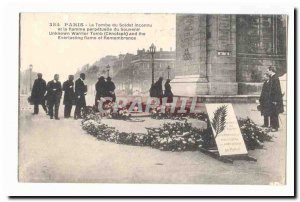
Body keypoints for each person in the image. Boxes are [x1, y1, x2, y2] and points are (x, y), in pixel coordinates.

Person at [266, 66, 284, 132]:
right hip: (271, 99)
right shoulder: (272, 78)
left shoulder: (275, 78)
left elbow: (276, 90)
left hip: (274, 99)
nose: (267, 72)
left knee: (274, 113)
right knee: (271, 112)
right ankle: (272, 126)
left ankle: (275, 127)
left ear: (271, 70)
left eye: (267, 71)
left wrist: (275, 100)